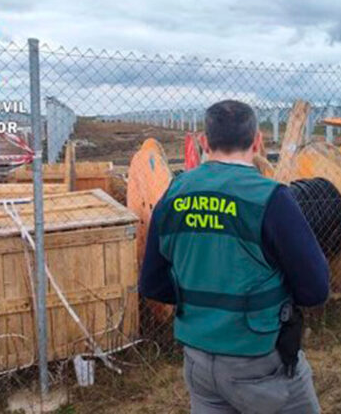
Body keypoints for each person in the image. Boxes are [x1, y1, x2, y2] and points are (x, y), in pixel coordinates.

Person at [139, 100, 330, 413]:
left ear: (204, 142)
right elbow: (315, 289)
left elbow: (152, 283)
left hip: (198, 362)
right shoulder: (272, 199)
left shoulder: (173, 195)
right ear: (257, 142)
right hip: (260, 363)